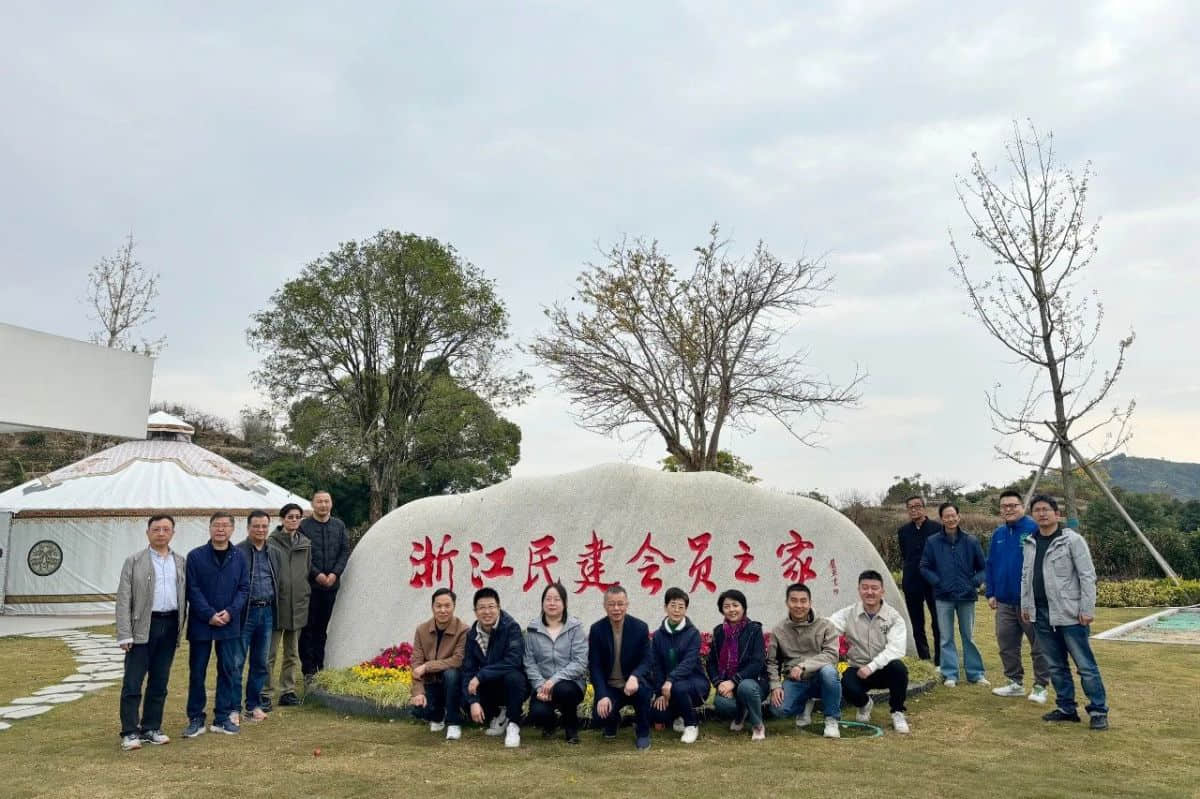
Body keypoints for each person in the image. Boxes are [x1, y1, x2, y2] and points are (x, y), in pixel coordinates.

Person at [1021, 495, 1109, 730]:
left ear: (1056, 514)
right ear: (1032, 515)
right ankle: (1066, 708)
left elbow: (1087, 576)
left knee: (1085, 666)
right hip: (1041, 614)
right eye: (1037, 510)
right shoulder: (1030, 542)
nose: (1042, 514)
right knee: (1056, 665)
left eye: (1046, 509)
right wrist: (1026, 606)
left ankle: (1098, 711)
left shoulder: (1072, 540)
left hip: (1070, 613)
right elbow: (1026, 577)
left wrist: (1087, 609)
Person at [115, 514, 187, 751]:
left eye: (166, 529)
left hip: (170, 625)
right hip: (142, 626)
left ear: (173, 533)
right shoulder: (134, 561)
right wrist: (124, 633)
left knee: (160, 681)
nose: (161, 533)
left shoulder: (180, 561)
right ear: (148, 533)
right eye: (156, 529)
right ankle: (129, 731)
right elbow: (123, 598)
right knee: (133, 682)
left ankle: (151, 728)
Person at [184, 512, 250, 738]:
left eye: (225, 525)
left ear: (232, 529)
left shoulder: (239, 557)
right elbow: (192, 589)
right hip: (202, 623)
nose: (220, 529)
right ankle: (196, 718)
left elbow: (244, 588)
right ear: (210, 528)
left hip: (229, 623)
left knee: (227, 670)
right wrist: (209, 614)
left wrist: (231, 612)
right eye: (216, 525)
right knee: (197, 671)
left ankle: (222, 717)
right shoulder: (195, 556)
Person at [987, 490, 1051, 703]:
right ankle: (1014, 682)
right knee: (1006, 644)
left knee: (1038, 645)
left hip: (1031, 601)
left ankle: (1041, 686)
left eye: (1013, 505)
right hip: (1004, 601)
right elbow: (991, 564)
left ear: (1022, 507)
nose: (1009, 509)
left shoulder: (1034, 529)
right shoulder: (999, 534)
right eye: (1004, 506)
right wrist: (991, 592)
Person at [829, 570, 911, 734]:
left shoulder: (894, 617)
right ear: (859, 590)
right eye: (865, 587)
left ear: (882, 591)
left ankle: (897, 712)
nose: (870, 592)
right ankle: (865, 704)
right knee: (845, 683)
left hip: (883, 669)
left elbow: (895, 649)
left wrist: (872, 666)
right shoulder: (848, 614)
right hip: (857, 668)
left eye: (874, 588)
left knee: (899, 669)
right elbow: (827, 628)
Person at [920, 502, 988, 687]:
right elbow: (924, 566)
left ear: (958, 517)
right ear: (941, 519)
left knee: (968, 636)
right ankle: (950, 674)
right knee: (946, 637)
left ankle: (975, 673)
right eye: (946, 516)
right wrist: (938, 582)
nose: (950, 519)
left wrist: (974, 582)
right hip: (943, 597)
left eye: (953, 515)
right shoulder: (933, 542)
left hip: (967, 596)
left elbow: (983, 568)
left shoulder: (971, 541)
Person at [766, 582, 842, 739]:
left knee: (829, 672)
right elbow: (772, 662)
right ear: (787, 603)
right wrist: (775, 686)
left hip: (820, 677)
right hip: (795, 681)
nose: (799, 605)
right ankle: (804, 705)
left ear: (810, 602)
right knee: (778, 709)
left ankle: (831, 719)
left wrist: (804, 666)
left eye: (803, 601)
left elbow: (831, 654)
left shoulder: (826, 625)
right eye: (794, 600)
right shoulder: (779, 630)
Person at [588, 584, 654, 750]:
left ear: (627, 605)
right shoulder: (597, 630)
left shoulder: (640, 627)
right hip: (611, 686)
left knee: (643, 693)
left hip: (633, 684)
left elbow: (647, 659)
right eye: (611, 604)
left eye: (620, 604)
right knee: (599, 716)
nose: (616, 608)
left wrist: (635, 676)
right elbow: (595, 666)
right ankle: (613, 721)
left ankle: (643, 732)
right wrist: (602, 695)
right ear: (605, 606)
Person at [462, 587, 527, 748]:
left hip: (513, 684)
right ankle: (499, 715)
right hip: (491, 685)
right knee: (465, 693)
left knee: (514, 676)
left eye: (491, 607)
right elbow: (468, 670)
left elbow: (513, 661)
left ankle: (513, 724)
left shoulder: (511, 627)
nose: (487, 612)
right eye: (482, 608)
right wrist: (473, 702)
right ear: (475, 611)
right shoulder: (472, 635)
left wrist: (481, 676)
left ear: (498, 608)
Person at [524, 582, 588, 744]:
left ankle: (571, 728)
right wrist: (540, 685)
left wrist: (554, 680)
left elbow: (580, 662)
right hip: (542, 686)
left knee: (563, 690)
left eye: (557, 599)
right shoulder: (533, 629)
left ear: (564, 603)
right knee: (537, 713)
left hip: (570, 684)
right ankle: (550, 724)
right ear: (542, 603)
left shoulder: (575, 627)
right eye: (548, 599)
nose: (552, 603)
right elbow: (529, 662)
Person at [706, 588, 770, 741]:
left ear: (743, 607)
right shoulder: (719, 632)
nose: (731, 610)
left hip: (754, 683)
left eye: (735, 605)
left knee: (745, 687)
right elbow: (711, 663)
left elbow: (757, 662)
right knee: (721, 704)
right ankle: (741, 714)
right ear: (722, 610)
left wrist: (733, 682)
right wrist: (719, 684)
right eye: (726, 606)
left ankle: (757, 725)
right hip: (728, 684)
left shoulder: (754, 629)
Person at [264, 503, 311, 709]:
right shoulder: (270, 543)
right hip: (276, 604)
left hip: (298, 604)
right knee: (269, 653)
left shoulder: (305, 544)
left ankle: (287, 691)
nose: (294, 520)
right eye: (290, 517)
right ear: (282, 519)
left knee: (292, 653)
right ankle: (264, 692)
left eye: (297, 517)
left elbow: (306, 571)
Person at [648, 587, 709, 744]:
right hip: (668, 688)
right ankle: (680, 714)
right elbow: (657, 666)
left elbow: (688, 663)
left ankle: (691, 725)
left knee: (678, 687)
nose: (676, 610)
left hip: (695, 683)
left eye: (681, 607)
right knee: (658, 713)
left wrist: (670, 680)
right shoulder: (658, 636)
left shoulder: (693, 633)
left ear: (686, 609)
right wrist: (659, 693)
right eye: (673, 605)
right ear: (665, 607)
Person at [299, 490, 349, 680]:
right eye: (319, 501)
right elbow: (302, 555)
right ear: (313, 504)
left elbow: (344, 551)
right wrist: (317, 574)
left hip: (331, 586)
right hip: (310, 587)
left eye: (326, 501)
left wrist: (335, 573)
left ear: (331, 503)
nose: (323, 505)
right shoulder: (304, 527)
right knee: (308, 629)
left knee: (323, 628)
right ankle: (308, 670)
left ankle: (321, 666)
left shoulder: (339, 525)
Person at [234, 510, 276, 722]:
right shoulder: (238, 552)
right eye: (256, 526)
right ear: (248, 527)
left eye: (264, 526)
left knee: (260, 662)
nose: (260, 530)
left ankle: (253, 705)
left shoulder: (273, 552)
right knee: (236, 662)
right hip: (245, 612)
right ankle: (233, 708)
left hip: (267, 611)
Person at [410, 588, 468, 740]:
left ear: (454, 606)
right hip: (431, 683)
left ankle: (454, 722)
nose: (443, 610)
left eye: (447, 606)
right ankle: (438, 715)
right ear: (432, 607)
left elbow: (458, 660)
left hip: (453, 684)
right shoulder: (422, 630)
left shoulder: (463, 630)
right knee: (419, 711)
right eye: (438, 606)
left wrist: (427, 666)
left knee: (451, 674)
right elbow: (416, 663)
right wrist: (418, 692)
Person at [897, 495, 942, 663]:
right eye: (911, 507)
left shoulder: (937, 528)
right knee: (916, 621)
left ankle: (940, 659)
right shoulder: (903, 531)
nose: (914, 509)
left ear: (924, 508)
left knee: (938, 620)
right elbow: (905, 555)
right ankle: (923, 656)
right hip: (912, 581)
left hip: (933, 581)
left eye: (917, 506)